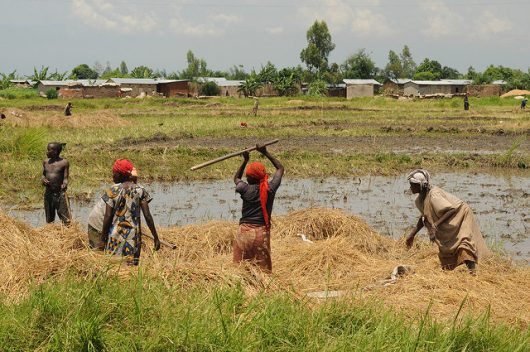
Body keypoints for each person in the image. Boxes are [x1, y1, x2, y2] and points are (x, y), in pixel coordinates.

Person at [405, 169, 490, 274]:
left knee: (463, 243)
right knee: (448, 247)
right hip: (449, 219)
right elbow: (424, 217)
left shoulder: (434, 195)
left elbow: (451, 209)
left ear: (420, 185)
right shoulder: (420, 200)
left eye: (412, 184)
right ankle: (450, 270)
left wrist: (435, 225)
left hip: (460, 214)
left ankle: (472, 273)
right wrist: (412, 234)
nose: (410, 187)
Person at [233, 145, 284, 272]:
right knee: (264, 272)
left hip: (243, 233)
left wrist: (245, 160)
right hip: (261, 235)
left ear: (249, 178)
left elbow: (236, 178)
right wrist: (265, 152)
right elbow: (280, 168)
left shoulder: (244, 189)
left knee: (241, 271)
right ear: (263, 176)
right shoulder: (270, 189)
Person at [100, 160, 160, 264]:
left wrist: (103, 237)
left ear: (120, 174)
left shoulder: (112, 190)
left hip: (115, 237)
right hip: (133, 239)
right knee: (131, 269)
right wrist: (155, 237)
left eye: (114, 173)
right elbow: (148, 216)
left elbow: (108, 216)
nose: (113, 175)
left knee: (113, 267)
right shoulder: (140, 190)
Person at [87, 168, 138, 249]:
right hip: (99, 223)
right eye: (133, 180)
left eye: (135, 180)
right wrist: (103, 238)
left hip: (106, 223)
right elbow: (108, 215)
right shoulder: (117, 189)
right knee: (97, 252)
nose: (134, 183)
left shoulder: (132, 191)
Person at [42, 142, 71, 225]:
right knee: (49, 218)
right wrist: (43, 179)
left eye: (48, 150)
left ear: (55, 151)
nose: (47, 152)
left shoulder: (64, 162)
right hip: (48, 193)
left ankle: (67, 232)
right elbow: (43, 174)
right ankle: (50, 232)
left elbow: (65, 178)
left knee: (66, 218)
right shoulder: (45, 162)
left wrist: (65, 184)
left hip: (59, 193)